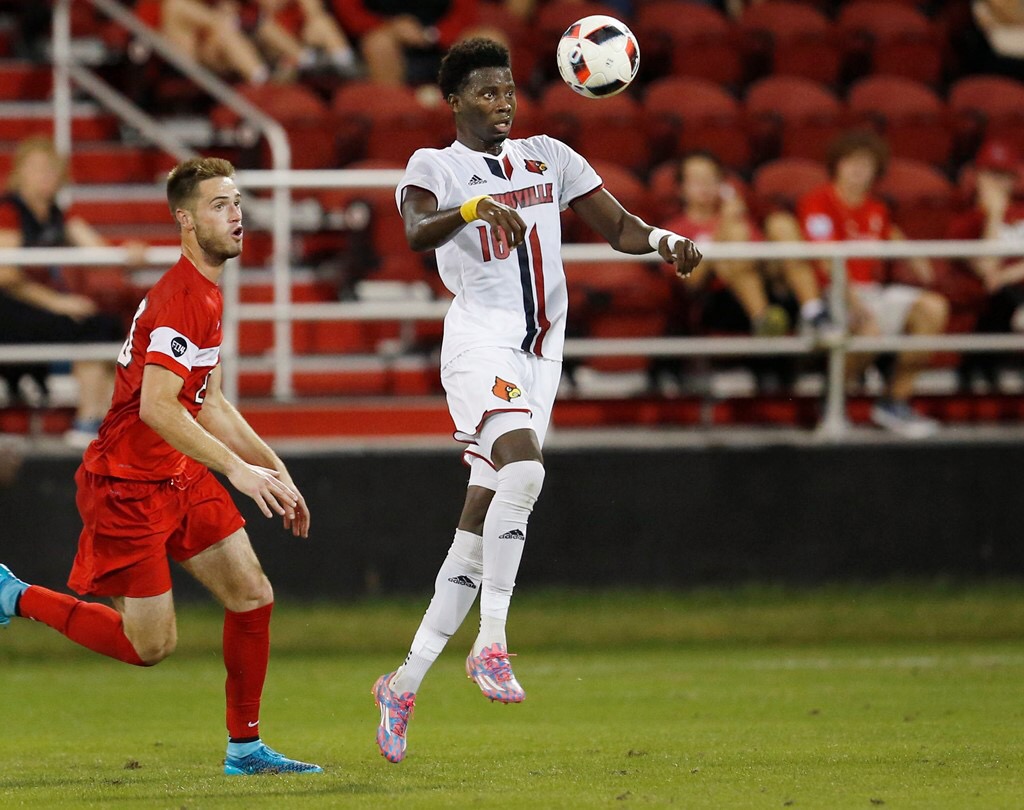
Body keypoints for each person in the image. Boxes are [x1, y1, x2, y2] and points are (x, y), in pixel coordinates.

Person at [371, 38, 701, 764]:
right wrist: (474, 209)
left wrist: (666, 239)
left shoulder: (548, 155)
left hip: (540, 357)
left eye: (508, 91)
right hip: (478, 344)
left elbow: (618, 228)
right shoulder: (437, 166)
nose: (503, 105)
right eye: (486, 94)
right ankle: (492, 643)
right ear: (454, 100)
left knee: (477, 526)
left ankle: (402, 682)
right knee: (523, 474)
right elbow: (419, 230)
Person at [0, 157, 322, 776]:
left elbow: (212, 402)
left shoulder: (207, 292)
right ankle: (14, 595)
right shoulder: (180, 299)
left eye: (237, 203)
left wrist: (273, 468)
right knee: (150, 647)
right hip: (126, 486)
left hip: (179, 473)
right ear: (184, 220)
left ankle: (246, 750)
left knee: (252, 594)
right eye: (219, 205)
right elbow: (156, 407)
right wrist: (237, 470)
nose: (236, 216)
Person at [767, 130, 949, 438]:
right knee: (868, 330)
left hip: (871, 292)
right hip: (830, 292)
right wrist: (852, 301)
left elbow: (889, 233)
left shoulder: (877, 209)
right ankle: (832, 402)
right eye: (851, 163)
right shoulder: (818, 201)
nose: (857, 171)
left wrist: (913, 256)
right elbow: (825, 260)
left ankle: (894, 401)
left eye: (866, 165)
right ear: (836, 165)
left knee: (934, 308)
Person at [0, 137, 143, 446]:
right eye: (37, 168)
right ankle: (87, 423)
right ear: (19, 173)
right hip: (10, 309)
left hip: (42, 308)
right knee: (88, 327)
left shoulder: (58, 216)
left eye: (52, 169)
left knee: (106, 325)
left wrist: (127, 255)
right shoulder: (8, 212)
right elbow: (6, 276)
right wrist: (58, 303)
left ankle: (102, 421)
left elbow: (102, 254)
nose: (46, 176)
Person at [665, 151, 790, 338]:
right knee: (729, 249)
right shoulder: (673, 230)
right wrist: (723, 229)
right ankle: (763, 319)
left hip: (764, 287)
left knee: (778, 223)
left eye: (711, 179)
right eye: (697, 180)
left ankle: (779, 316)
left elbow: (760, 260)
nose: (705, 187)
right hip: (714, 300)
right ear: (681, 188)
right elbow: (692, 281)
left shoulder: (738, 220)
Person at [948, 138, 1024, 388]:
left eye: (1004, 177)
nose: (998, 184)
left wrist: (1010, 273)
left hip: (1014, 288)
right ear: (978, 177)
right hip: (995, 301)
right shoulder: (965, 222)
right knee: (1002, 299)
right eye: (991, 175)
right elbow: (987, 269)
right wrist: (994, 215)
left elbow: (999, 275)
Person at [246, 0, 361, 80]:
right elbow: (270, 5)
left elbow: (315, 14)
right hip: (275, 48)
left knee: (322, 23)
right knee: (266, 28)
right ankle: (307, 59)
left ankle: (346, 64)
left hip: (302, 37)